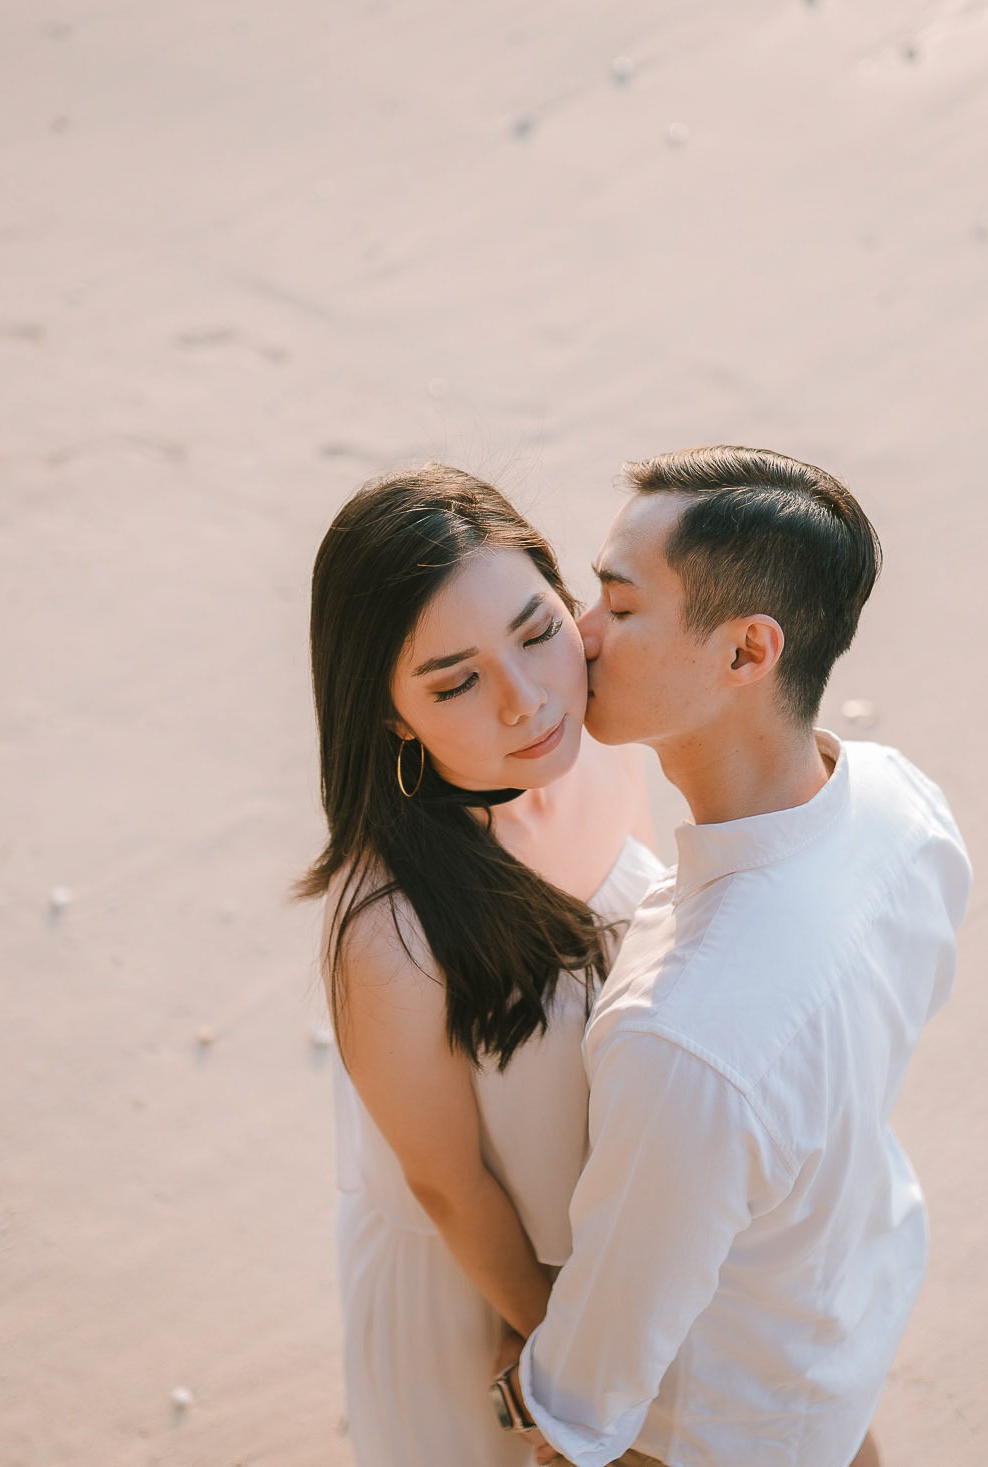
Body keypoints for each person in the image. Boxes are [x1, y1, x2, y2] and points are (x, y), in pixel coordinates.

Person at [502, 446, 974, 1467]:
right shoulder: (903, 805)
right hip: (842, 1321)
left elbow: (591, 1387)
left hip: (711, 1427)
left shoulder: (684, 1038)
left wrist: (519, 1411)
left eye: (620, 609)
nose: (578, 637)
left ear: (746, 652)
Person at [297, 465, 663, 1466]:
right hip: (483, 1286)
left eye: (539, 632)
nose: (524, 702)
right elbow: (449, 1184)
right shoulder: (389, 929)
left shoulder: (597, 750)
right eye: (454, 682)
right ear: (386, 716)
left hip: (615, 1240)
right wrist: (567, 1350)